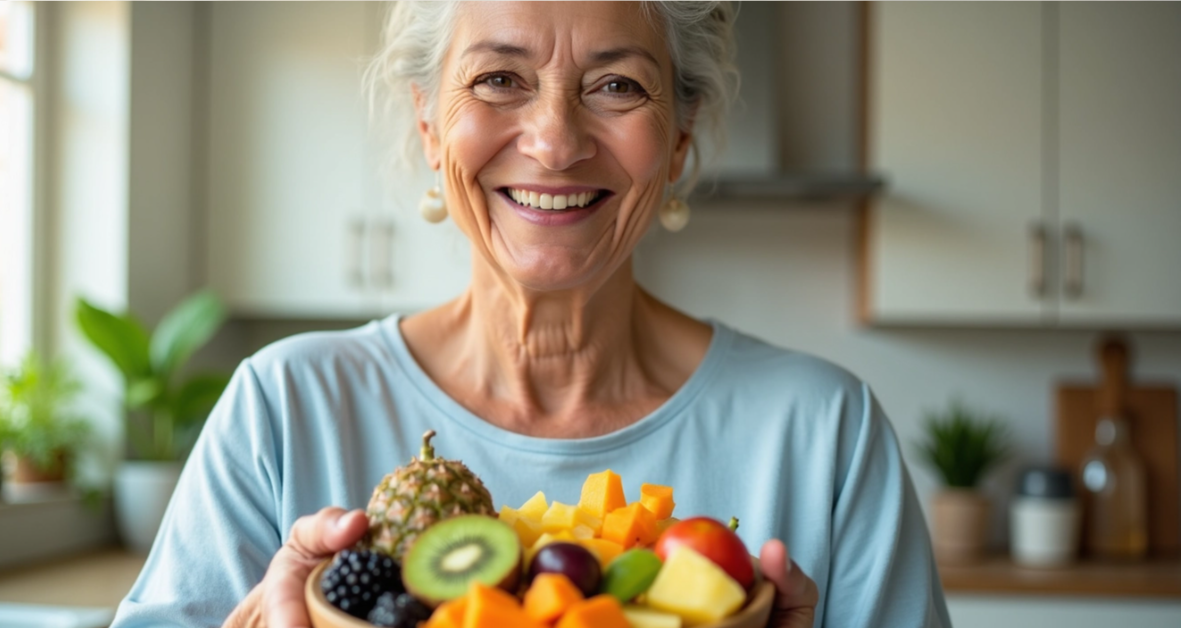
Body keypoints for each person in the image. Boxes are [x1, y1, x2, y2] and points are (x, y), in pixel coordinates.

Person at [111, 2, 950, 627]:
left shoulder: (825, 431)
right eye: (499, 79)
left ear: (680, 134)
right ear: (429, 122)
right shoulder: (284, 408)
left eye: (617, 85)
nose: (554, 140)